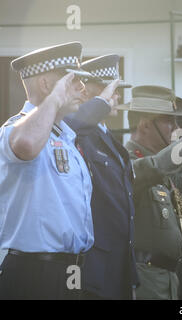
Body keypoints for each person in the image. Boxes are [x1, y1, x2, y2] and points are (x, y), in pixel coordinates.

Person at [0, 42, 96, 299]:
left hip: (69, 270)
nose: (83, 89)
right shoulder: (15, 129)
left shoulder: (65, 137)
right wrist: (54, 98)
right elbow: (27, 144)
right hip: (33, 272)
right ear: (45, 84)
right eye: (73, 80)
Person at [64, 54, 139, 299]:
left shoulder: (105, 135)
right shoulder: (76, 132)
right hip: (93, 265)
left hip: (117, 262)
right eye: (109, 90)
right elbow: (70, 124)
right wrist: (100, 103)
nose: (115, 97)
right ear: (86, 93)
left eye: (115, 91)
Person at [118, 85, 182, 300]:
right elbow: (151, 168)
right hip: (145, 281)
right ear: (145, 125)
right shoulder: (126, 162)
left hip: (167, 279)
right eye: (169, 120)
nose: (176, 127)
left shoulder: (163, 167)